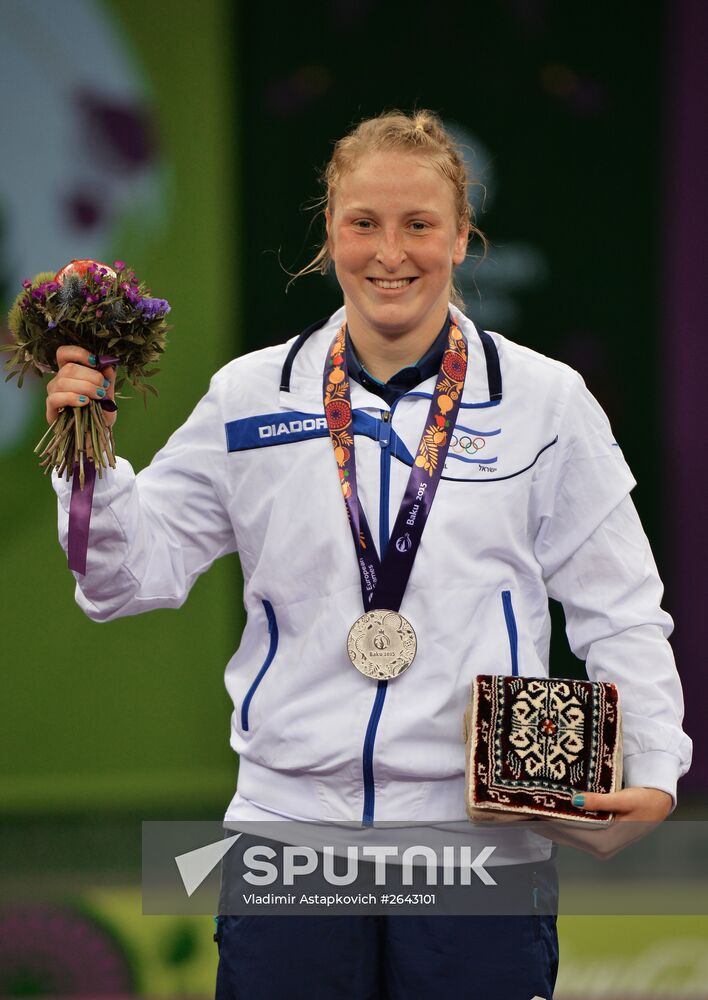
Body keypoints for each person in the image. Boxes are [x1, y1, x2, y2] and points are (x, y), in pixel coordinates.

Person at [46, 110, 692, 999]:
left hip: (478, 839)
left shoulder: (545, 401)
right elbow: (126, 580)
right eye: (364, 223)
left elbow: (619, 605)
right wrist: (89, 460)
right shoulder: (250, 395)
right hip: (290, 830)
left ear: (464, 237)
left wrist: (655, 764)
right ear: (330, 234)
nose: (391, 252)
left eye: (419, 224)